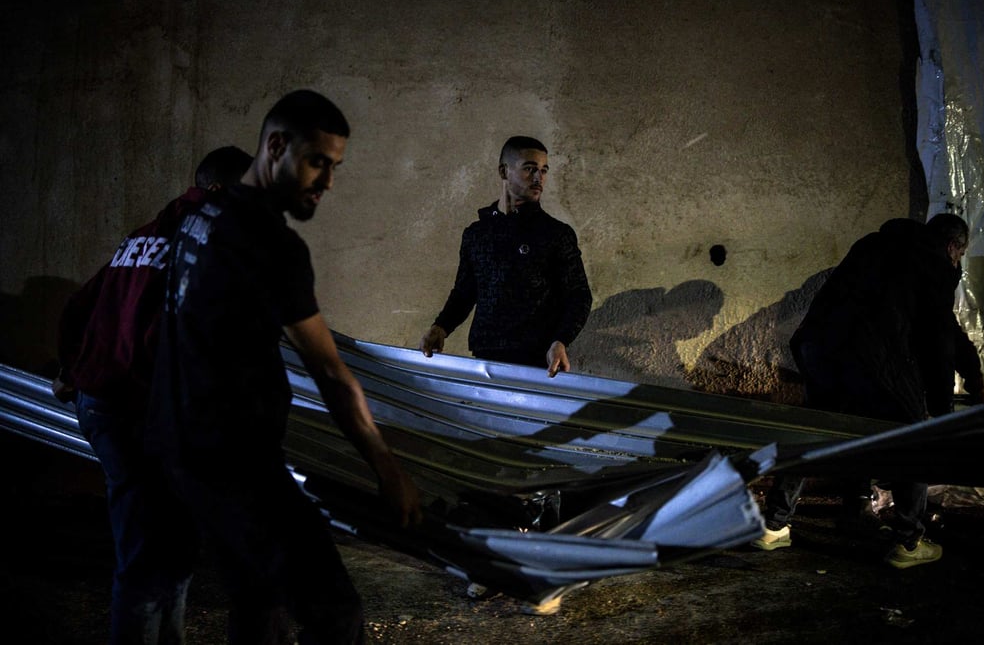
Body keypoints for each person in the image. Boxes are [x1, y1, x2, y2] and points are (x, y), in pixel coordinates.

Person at [148, 90, 421, 644]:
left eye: (335, 167)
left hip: (181, 450)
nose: (328, 183)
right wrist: (388, 470)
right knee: (335, 613)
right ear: (275, 146)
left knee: (255, 599)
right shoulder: (272, 246)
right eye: (318, 162)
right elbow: (330, 374)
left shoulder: (200, 215)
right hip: (237, 465)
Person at [52, 145, 254, 644]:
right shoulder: (208, 244)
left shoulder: (139, 238)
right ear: (216, 191)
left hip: (111, 406)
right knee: (149, 559)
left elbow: (80, 305)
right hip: (141, 412)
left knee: (171, 549)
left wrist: (70, 368)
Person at [752, 213, 984, 569]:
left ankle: (775, 526)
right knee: (913, 439)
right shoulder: (933, 264)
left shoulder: (874, 244)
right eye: (960, 254)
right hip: (873, 357)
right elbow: (941, 340)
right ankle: (908, 543)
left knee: (817, 430)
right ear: (954, 246)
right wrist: (945, 409)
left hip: (819, 348)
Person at [420, 136, 592, 378]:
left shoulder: (556, 234)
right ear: (504, 171)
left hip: (538, 362)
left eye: (543, 171)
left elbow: (579, 295)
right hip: (485, 358)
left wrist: (560, 340)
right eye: (530, 168)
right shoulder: (477, 234)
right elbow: (464, 292)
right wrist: (441, 327)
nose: (538, 178)